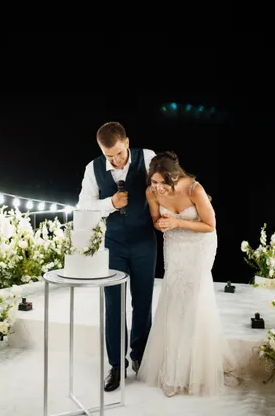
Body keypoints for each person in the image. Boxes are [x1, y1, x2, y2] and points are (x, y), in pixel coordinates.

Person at [138, 151, 237, 397]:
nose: (158, 188)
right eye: (154, 182)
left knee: (195, 299)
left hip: (200, 244)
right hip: (174, 246)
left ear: (173, 178)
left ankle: (198, 366)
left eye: (163, 183)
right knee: (173, 298)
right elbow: (155, 220)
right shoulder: (150, 192)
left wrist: (177, 223)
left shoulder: (194, 189)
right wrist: (161, 223)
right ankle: (172, 371)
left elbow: (210, 225)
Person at [77, 122, 157, 392]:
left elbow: (165, 187)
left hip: (145, 240)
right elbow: (83, 207)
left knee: (143, 300)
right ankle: (116, 365)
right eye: (109, 156)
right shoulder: (93, 168)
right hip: (113, 244)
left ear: (127, 142)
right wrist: (109, 203)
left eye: (120, 154)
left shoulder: (147, 157)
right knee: (114, 304)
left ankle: (140, 356)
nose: (115, 160)